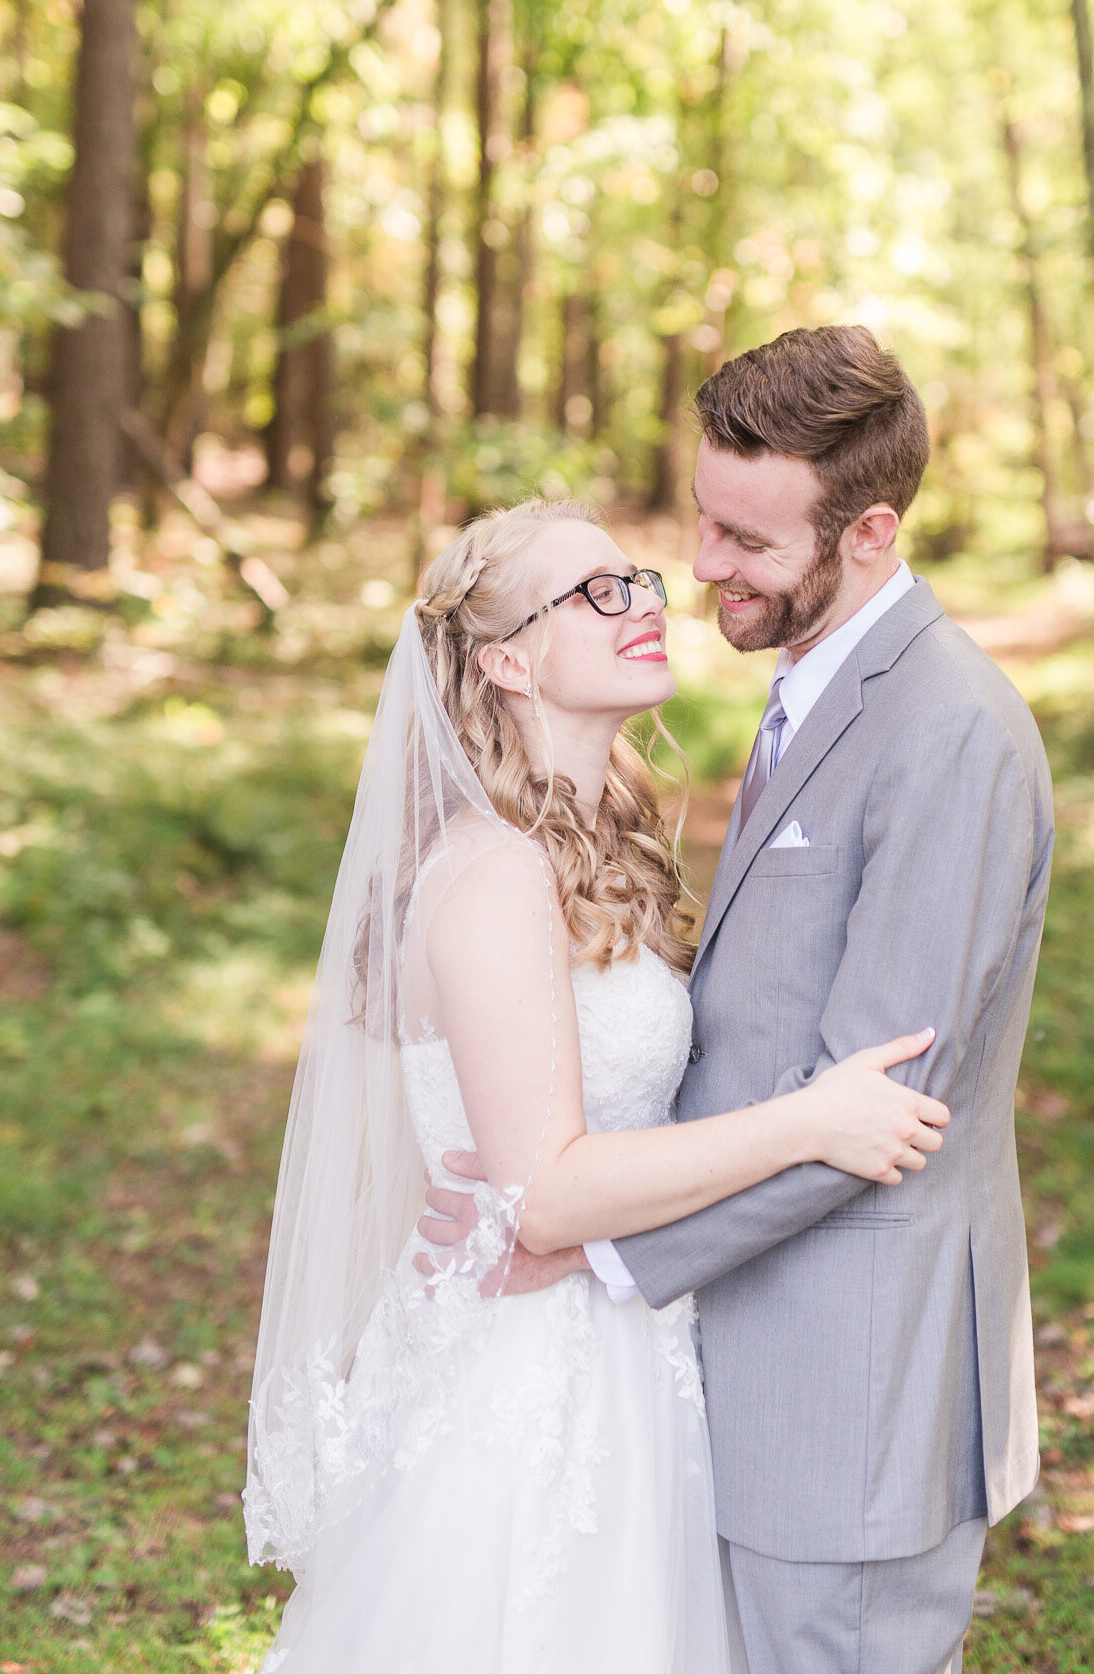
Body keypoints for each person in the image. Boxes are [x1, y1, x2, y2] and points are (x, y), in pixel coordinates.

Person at [426, 324, 1055, 1674]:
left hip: (851, 1389)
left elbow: (874, 1104)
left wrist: (594, 1251)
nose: (702, 570)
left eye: (748, 543)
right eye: (704, 523)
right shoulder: (802, 701)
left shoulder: (944, 730)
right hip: (738, 1362)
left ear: (870, 533)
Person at [243, 489, 950, 1673]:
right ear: (510, 660)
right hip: (534, 1376)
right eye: (596, 592)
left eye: (639, 580)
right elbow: (550, 1195)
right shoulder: (493, 875)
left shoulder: (599, 846)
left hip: (630, 1335)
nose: (644, 603)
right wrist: (810, 1121)